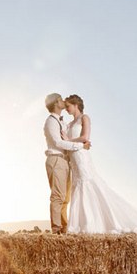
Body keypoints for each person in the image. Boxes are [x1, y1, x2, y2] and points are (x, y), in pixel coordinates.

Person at [61, 94, 137, 237]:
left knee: (88, 184)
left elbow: (85, 138)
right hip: (73, 158)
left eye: (68, 106)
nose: (67, 109)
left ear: (76, 105)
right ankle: (81, 224)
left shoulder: (84, 118)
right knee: (79, 187)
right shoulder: (69, 123)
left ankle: (93, 224)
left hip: (81, 157)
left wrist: (69, 141)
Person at [43, 93, 91, 234]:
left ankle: (64, 227)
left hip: (66, 161)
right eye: (60, 99)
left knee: (66, 197)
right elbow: (58, 142)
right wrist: (80, 146)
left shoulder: (63, 121)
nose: (63, 101)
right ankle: (56, 228)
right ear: (56, 103)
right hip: (56, 158)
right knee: (58, 195)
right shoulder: (51, 121)